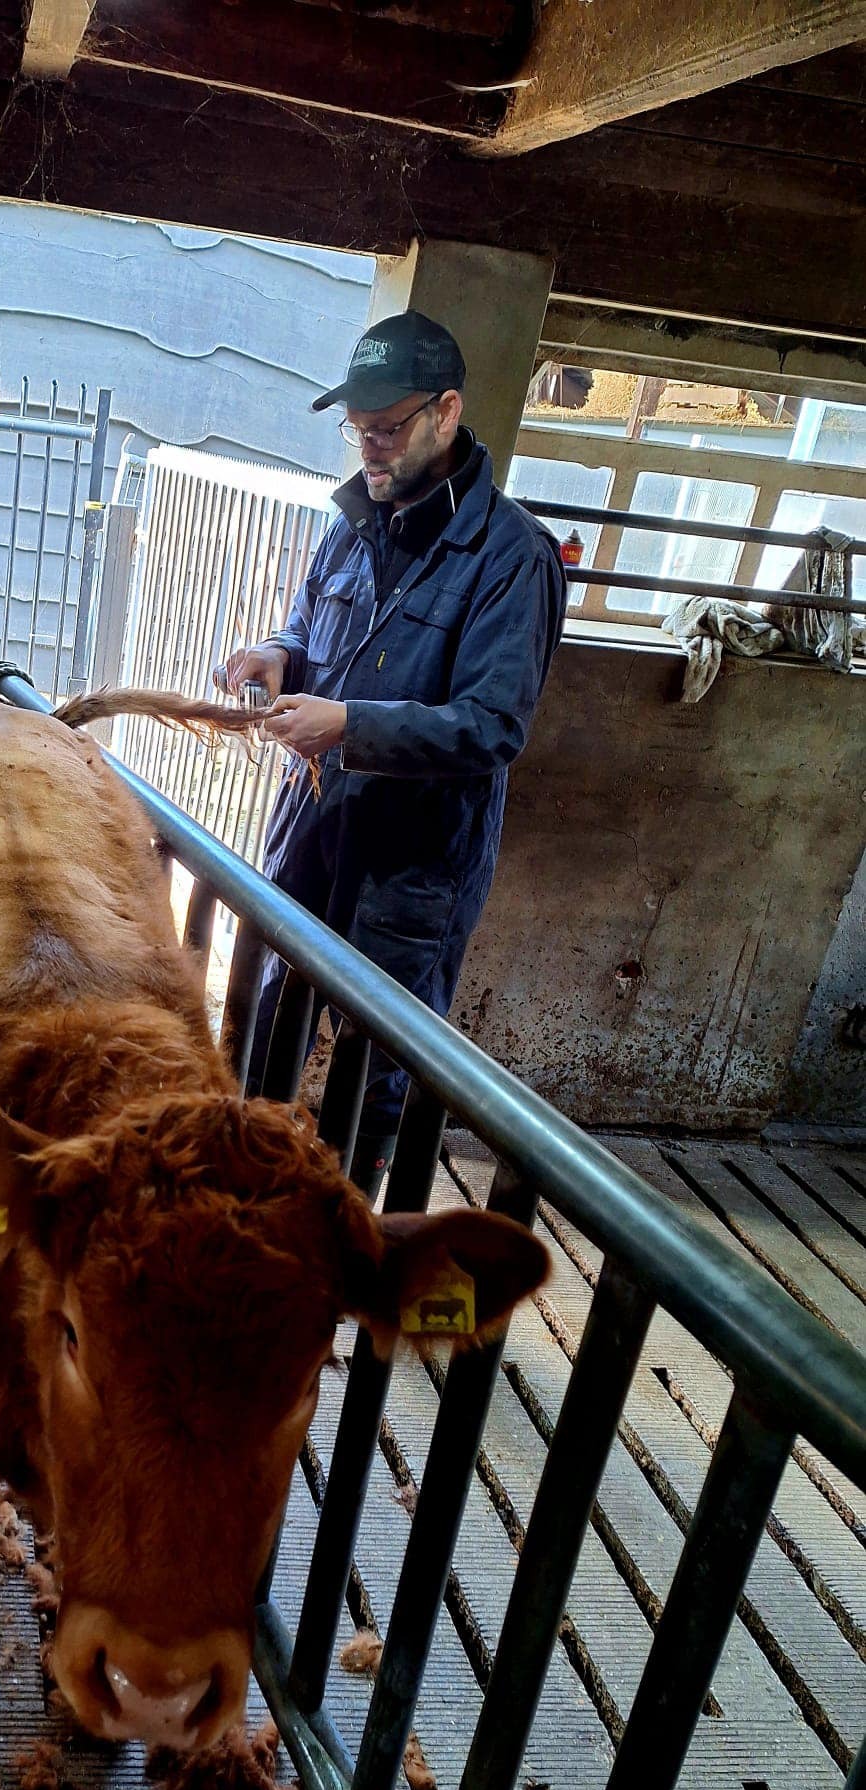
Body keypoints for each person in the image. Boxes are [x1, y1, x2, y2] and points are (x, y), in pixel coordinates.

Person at [214, 310, 566, 1199]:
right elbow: (311, 624)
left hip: (413, 865)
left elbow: (492, 726)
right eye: (357, 428)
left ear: (446, 413)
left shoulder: (510, 558)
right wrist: (280, 654)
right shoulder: (354, 521)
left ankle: (344, 1234)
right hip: (314, 829)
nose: (368, 447)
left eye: (386, 427)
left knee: (374, 1068)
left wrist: (348, 727)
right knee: (269, 1024)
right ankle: (249, 1210)